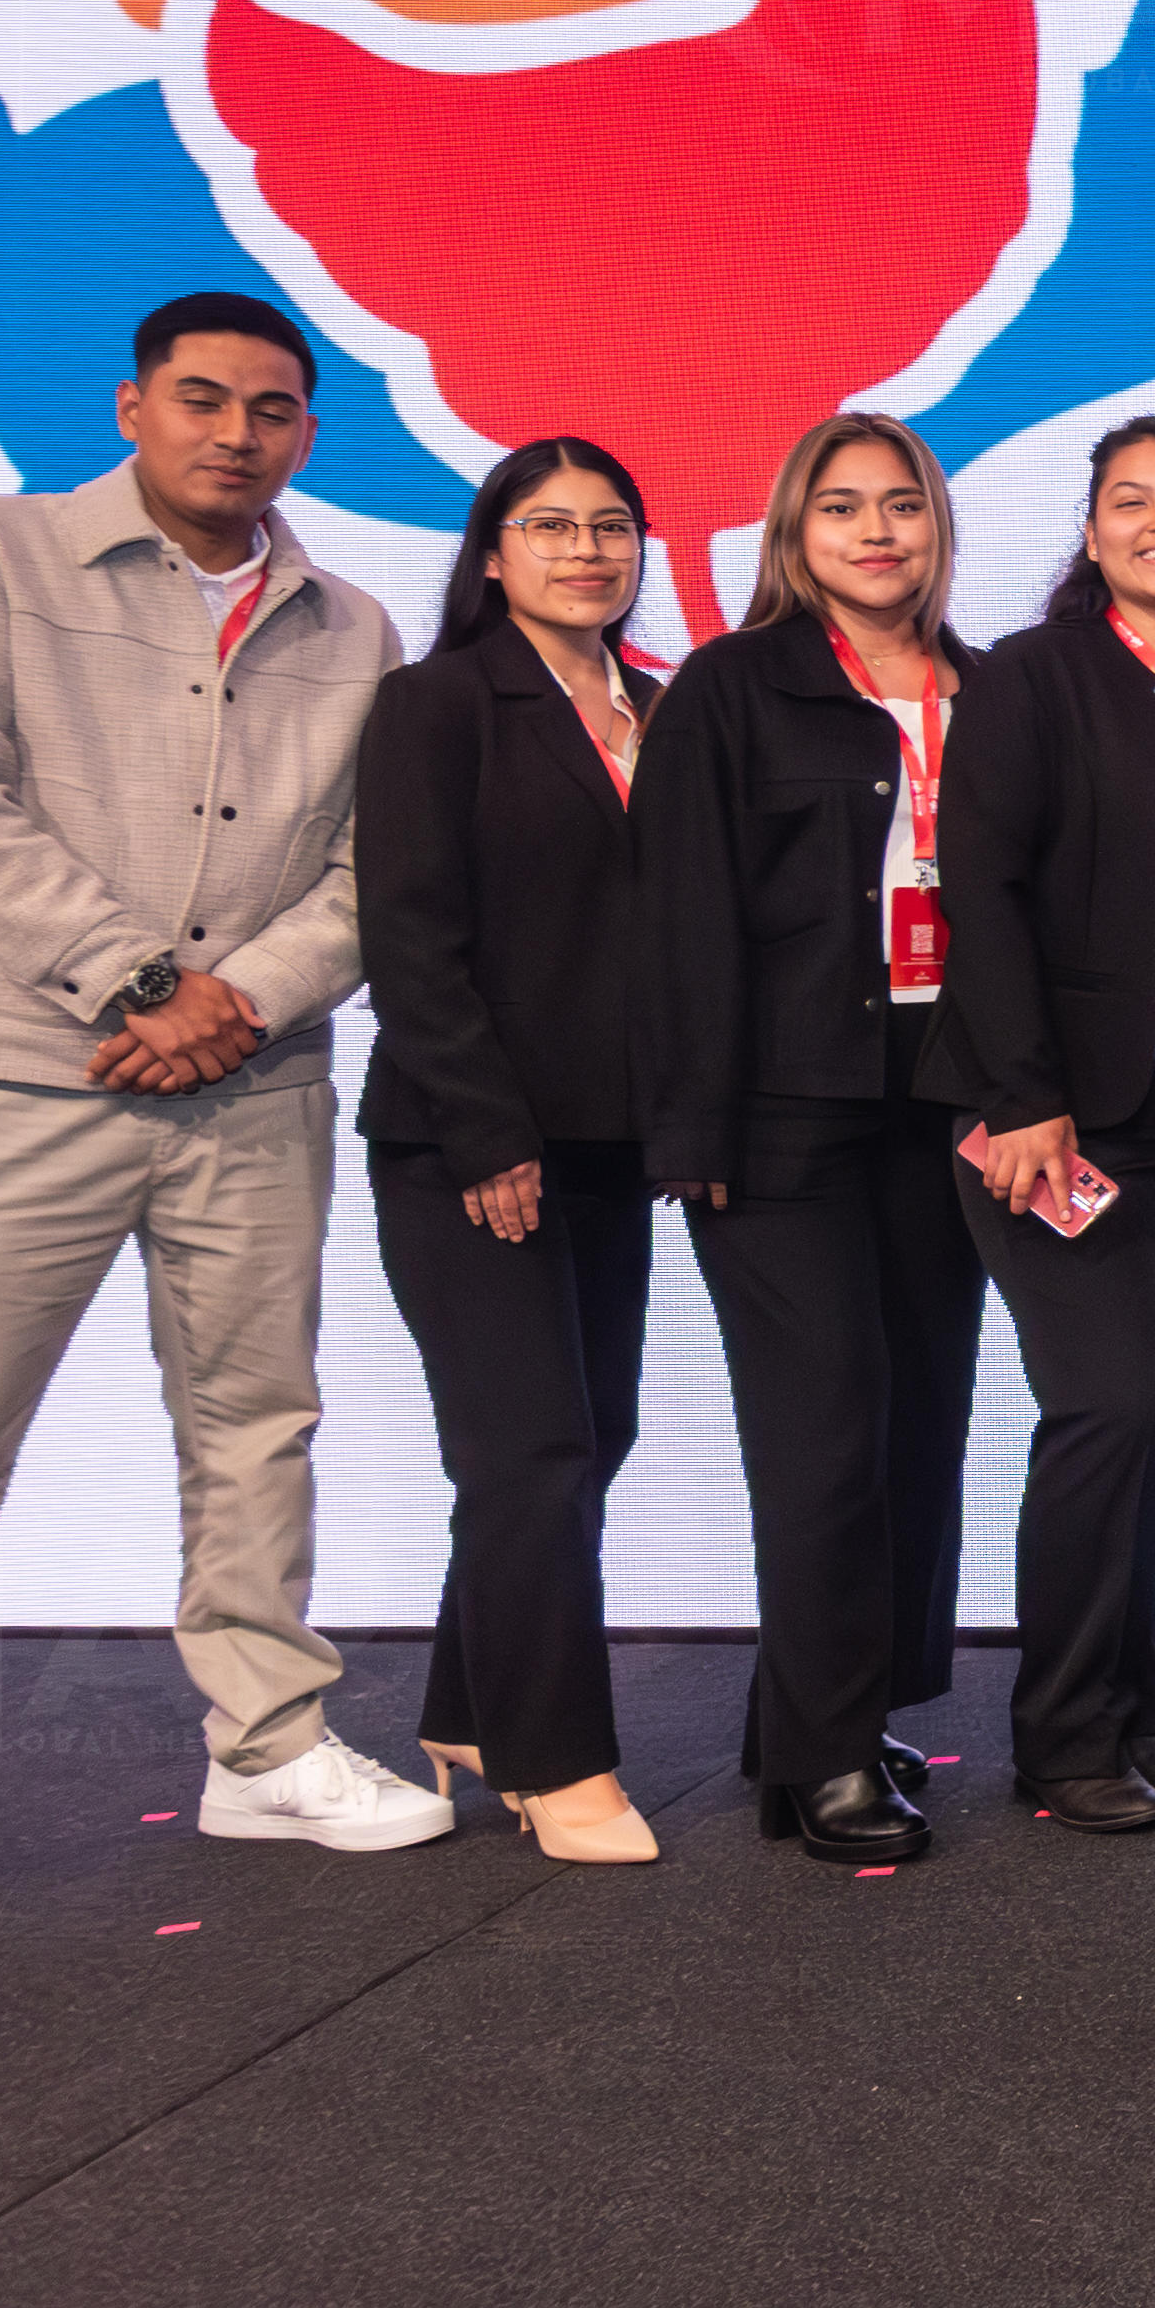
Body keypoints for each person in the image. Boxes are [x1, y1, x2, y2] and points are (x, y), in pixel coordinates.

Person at [0, 293, 450, 1959]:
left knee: (256, 1428)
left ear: (308, 433)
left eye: (269, 411)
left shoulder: (353, 630)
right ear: (132, 407)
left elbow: (377, 873)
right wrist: (138, 982)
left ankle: (265, 1745)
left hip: (252, 1088)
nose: (234, 435)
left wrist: (235, 1003)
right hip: (17, 1082)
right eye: (201, 400)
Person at [640, 413, 989, 1868]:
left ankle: (824, 1720)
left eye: (901, 505)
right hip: (783, 1111)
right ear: (794, 531)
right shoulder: (733, 686)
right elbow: (676, 916)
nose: (876, 531)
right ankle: (830, 1756)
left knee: (917, 1420)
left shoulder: (988, 686)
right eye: (841, 507)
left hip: (946, 1103)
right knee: (823, 1431)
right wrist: (689, 1125)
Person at [929, 416, 1155, 1836]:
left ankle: (1130, 1708)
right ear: (1090, 535)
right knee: (1111, 1404)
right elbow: (982, 886)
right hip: (1059, 1109)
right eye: (1131, 501)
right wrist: (1024, 1096)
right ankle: (1063, 1734)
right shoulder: (1035, 675)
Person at [356, 438, 672, 1868]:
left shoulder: (660, 706)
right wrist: (488, 1131)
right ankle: (559, 1764)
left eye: (610, 527)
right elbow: (410, 936)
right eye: (549, 527)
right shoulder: (436, 704)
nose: (584, 552)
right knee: (531, 1448)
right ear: (492, 554)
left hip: (612, 1139)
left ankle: (471, 1710)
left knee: (586, 1437)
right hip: (467, 1142)